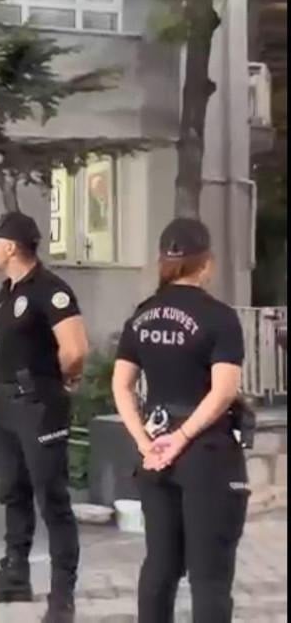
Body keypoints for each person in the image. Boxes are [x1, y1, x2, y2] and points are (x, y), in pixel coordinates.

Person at [112, 218, 250, 623]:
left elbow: (121, 385)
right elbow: (223, 391)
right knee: (210, 576)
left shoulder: (142, 314)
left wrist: (145, 442)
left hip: (156, 455)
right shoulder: (219, 317)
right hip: (206, 453)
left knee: (160, 565)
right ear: (206, 263)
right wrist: (184, 435)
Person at [0, 212, 89, 623]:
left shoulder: (50, 290)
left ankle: (62, 596)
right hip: (6, 405)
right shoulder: (8, 291)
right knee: (13, 490)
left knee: (51, 498)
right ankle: (15, 575)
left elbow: (75, 349)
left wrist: (59, 380)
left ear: (10, 248)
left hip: (38, 405)